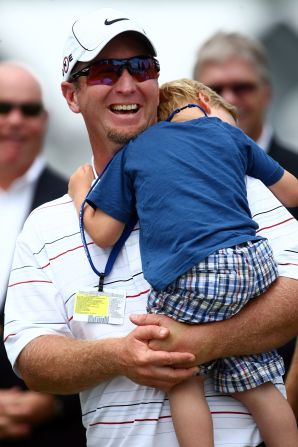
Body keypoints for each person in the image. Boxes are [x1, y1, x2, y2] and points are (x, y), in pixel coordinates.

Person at [3, 7, 298, 447]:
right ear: (71, 95)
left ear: (155, 83)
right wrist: (118, 357)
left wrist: (198, 343)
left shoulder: (238, 184)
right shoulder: (45, 225)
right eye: (104, 70)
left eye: (141, 67)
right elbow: (31, 355)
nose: (126, 83)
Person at [68, 78, 298, 447]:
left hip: (194, 274)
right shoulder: (230, 137)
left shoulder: (139, 148)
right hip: (252, 266)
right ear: (205, 103)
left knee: (179, 374)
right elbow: (292, 191)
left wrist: (80, 193)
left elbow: (104, 233)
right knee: (258, 381)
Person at [192, 30, 298, 417]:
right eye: (216, 89)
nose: (231, 98)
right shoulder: (174, 177)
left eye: (242, 86)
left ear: (267, 93)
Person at [0, 62, 86, 446]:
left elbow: (95, 309)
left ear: (45, 119)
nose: (15, 120)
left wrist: (55, 402)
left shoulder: (76, 205)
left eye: (28, 110)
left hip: (54, 433)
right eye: (2, 108)